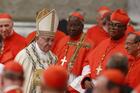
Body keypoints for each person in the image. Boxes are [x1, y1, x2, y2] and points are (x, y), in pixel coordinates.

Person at [81, 9, 130, 89]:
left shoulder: (127, 48)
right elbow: (87, 62)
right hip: (91, 85)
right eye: (111, 24)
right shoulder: (103, 43)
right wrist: (86, 78)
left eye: (117, 25)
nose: (113, 28)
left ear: (124, 28)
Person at [15, 8, 59, 93]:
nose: (50, 43)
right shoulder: (25, 56)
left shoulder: (53, 58)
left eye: (52, 40)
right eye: (47, 39)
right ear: (37, 37)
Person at [53, 11, 94, 93]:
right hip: (58, 79)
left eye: (76, 25)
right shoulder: (63, 40)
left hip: (76, 82)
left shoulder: (89, 44)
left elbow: (89, 66)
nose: (72, 28)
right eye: (70, 25)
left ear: (82, 26)